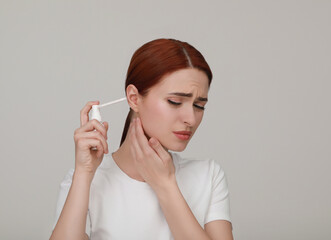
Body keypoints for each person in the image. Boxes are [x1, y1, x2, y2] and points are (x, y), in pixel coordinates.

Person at [50, 38, 233, 240]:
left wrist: (165, 184)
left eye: (199, 106)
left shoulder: (209, 176)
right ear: (134, 98)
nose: (190, 118)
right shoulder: (88, 180)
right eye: (175, 102)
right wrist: (84, 173)